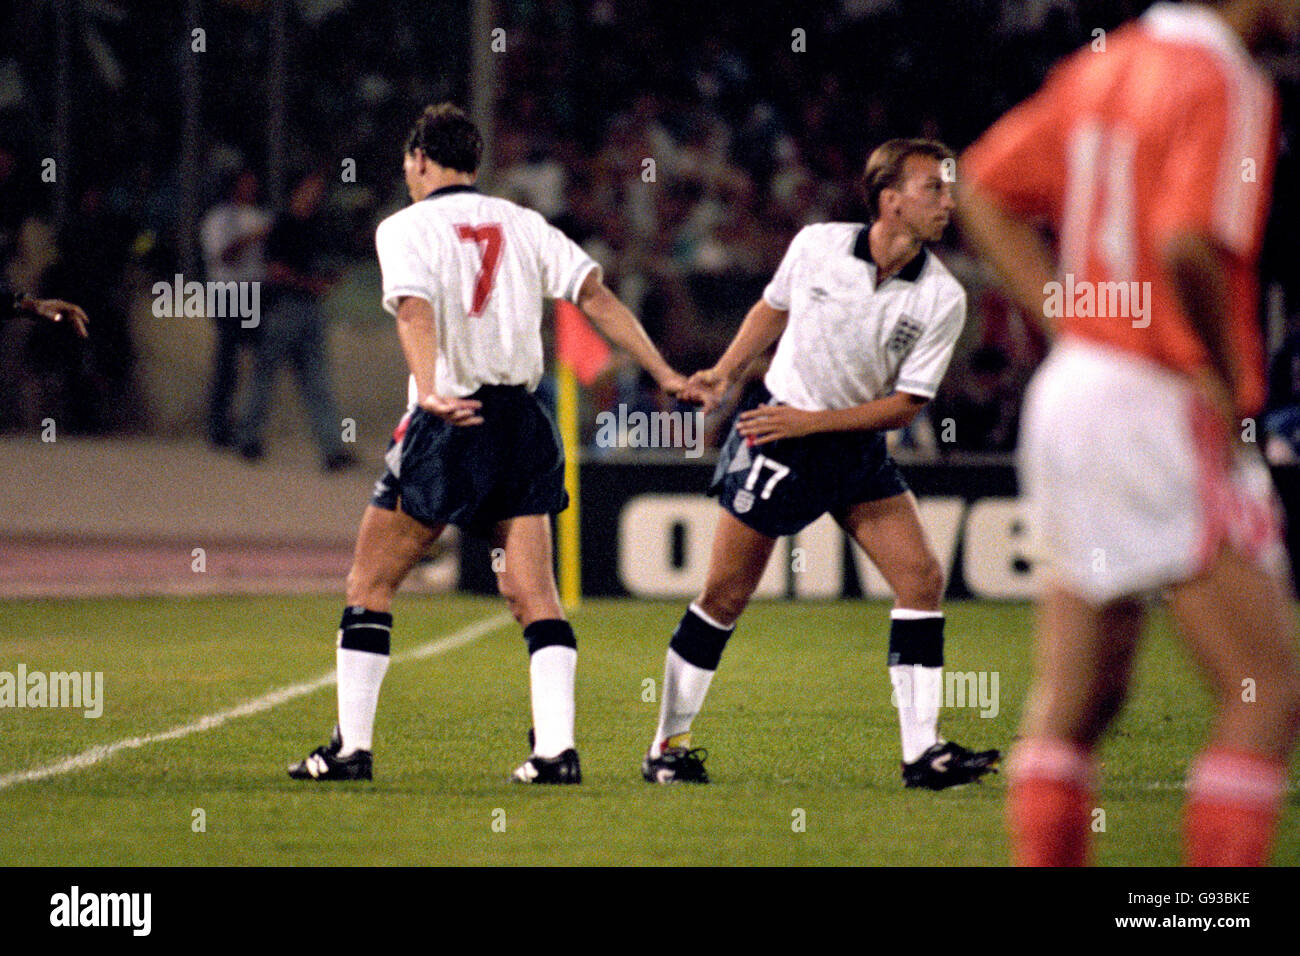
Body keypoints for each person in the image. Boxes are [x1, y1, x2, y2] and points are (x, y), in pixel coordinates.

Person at [958, 0, 1300, 865]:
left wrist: (1071, 319)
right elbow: (1187, 241)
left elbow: (983, 187)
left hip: (1074, 393)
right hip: (1159, 394)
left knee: (1082, 696)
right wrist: (1221, 374)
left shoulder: (1106, 64)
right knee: (1268, 692)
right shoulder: (1226, 80)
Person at [288, 103, 687, 784]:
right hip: (522, 420)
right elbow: (597, 299)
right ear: (472, 162)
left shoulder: (404, 226)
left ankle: (352, 749)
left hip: (454, 418)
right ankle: (556, 752)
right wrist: (664, 371)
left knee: (370, 580)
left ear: (418, 160)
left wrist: (430, 387)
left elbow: (413, 308)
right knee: (535, 594)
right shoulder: (525, 222)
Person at [642, 139, 1000, 789]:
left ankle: (923, 754)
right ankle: (667, 745)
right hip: (778, 438)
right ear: (890, 201)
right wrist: (724, 373)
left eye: (950, 190)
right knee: (723, 596)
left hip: (848, 443)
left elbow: (903, 406)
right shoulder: (817, 246)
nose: (949, 202)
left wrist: (814, 423)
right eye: (934, 190)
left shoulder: (943, 297)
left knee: (920, 579)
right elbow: (771, 308)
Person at [237, 170, 355, 471]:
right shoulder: (282, 225)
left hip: (310, 310)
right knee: (265, 377)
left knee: (317, 382)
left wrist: (326, 281)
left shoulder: (317, 227)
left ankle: (332, 449)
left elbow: (329, 267)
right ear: (295, 192)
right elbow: (275, 271)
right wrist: (310, 283)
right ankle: (249, 438)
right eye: (308, 190)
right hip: (284, 309)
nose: (314, 197)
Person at [199, 168, 270, 449]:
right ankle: (218, 427)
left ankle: (248, 427)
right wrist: (251, 238)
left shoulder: (261, 215)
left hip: (256, 292)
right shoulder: (219, 218)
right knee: (226, 363)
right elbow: (223, 256)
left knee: (258, 363)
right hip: (228, 292)